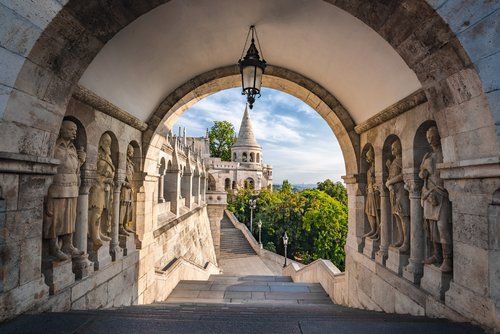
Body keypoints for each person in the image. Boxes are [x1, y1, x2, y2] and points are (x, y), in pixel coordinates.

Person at [43, 120, 85, 260]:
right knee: (54, 218)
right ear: (62, 130)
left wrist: (81, 161)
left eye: (75, 130)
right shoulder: (54, 146)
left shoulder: (73, 148)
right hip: (57, 187)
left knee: (70, 218)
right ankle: (54, 247)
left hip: (72, 187)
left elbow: (74, 168)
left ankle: (68, 244)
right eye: (71, 129)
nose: (74, 132)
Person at [419, 126, 452, 272]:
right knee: (431, 228)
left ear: (439, 136)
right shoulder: (427, 155)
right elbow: (421, 175)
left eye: (432, 136)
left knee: (443, 227)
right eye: (428, 137)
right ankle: (437, 255)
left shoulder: (445, 153)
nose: (430, 140)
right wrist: (423, 173)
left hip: (442, 193)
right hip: (429, 194)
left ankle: (448, 260)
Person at [88, 134, 115, 249]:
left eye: (109, 141)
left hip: (105, 188)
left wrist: (109, 179)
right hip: (97, 187)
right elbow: (92, 174)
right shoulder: (97, 155)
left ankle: (99, 232)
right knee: (96, 211)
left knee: (102, 211)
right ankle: (94, 235)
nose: (107, 143)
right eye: (105, 141)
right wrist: (106, 178)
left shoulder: (108, 157)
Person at [385, 140, 410, 253]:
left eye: (395, 148)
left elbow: (403, 175)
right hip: (393, 193)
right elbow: (390, 177)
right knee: (396, 216)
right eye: (392, 148)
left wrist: (390, 182)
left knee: (403, 216)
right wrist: (389, 185)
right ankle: (401, 239)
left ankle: (407, 242)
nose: (392, 150)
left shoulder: (403, 161)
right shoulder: (394, 162)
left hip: (401, 191)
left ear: (400, 147)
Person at [363, 147, 380, 240]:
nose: (367, 159)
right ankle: (373, 230)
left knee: (376, 212)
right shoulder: (370, 169)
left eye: (368, 157)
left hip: (375, 193)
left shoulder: (377, 167)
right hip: (369, 192)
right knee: (369, 212)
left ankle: (377, 231)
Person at [119, 144, 136, 236]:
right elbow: (120, 177)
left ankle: (125, 225)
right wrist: (126, 184)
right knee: (123, 207)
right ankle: (120, 226)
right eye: (132, 151)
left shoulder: (130, 163)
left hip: (129, 190)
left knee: (129, 207)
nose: (132, 153)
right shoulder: (124, 163)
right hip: (124, 189)